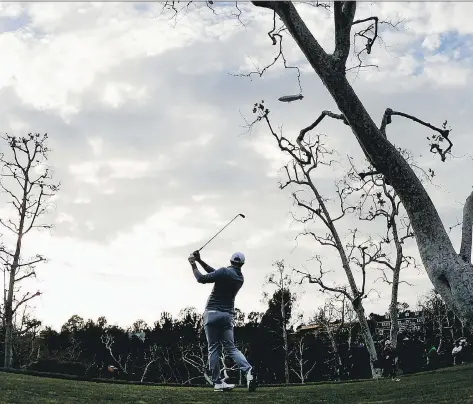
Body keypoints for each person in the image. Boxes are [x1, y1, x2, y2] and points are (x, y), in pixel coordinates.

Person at [188, 250, 256, 392]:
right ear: (242, 264)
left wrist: (193, 264)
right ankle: (248, 370)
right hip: (227, 316)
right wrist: (200, 260)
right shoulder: (239, 278)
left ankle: (217, 382)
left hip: (211, 314)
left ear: (230, 260)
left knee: (213, 348)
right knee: (231, 348)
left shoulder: (224, 272)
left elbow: (201, 278)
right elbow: (215, 273)